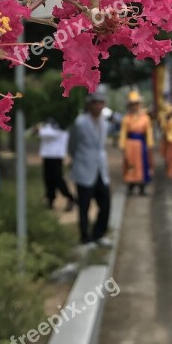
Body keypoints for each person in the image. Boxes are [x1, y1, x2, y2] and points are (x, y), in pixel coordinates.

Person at [69, 91, 112, 247]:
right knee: (84, 205)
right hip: (84, 167)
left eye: (101, 102)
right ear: (90, 104)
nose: (99, 106)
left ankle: (99, 233)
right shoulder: (80, 122)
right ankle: (85, 236)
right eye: (96, 103)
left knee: (106, 203)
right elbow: (72, 144)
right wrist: (76, 157)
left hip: (100, 168)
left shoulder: (105, 123)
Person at [119, 90, 154, 196]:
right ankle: (130, 187)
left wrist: (149, 144)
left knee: (142, 165)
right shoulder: (126, 119)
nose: (134, 106)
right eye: (132, 104)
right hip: (130, 144)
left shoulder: (145, 118)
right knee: (130, 165)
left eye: (136, 104)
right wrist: (123, 146)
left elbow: (148, 132)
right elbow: (123, 133)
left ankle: (142, 188)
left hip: (141, 144)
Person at [38, 118, 75, 212]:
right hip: (47, 155)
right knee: (48, 179)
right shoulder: (48, 124)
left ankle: (69, 197)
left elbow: (49, 134)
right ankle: (50, 199)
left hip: (56, 156)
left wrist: (40, 129)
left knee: (58, 179)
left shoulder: (61, 126)